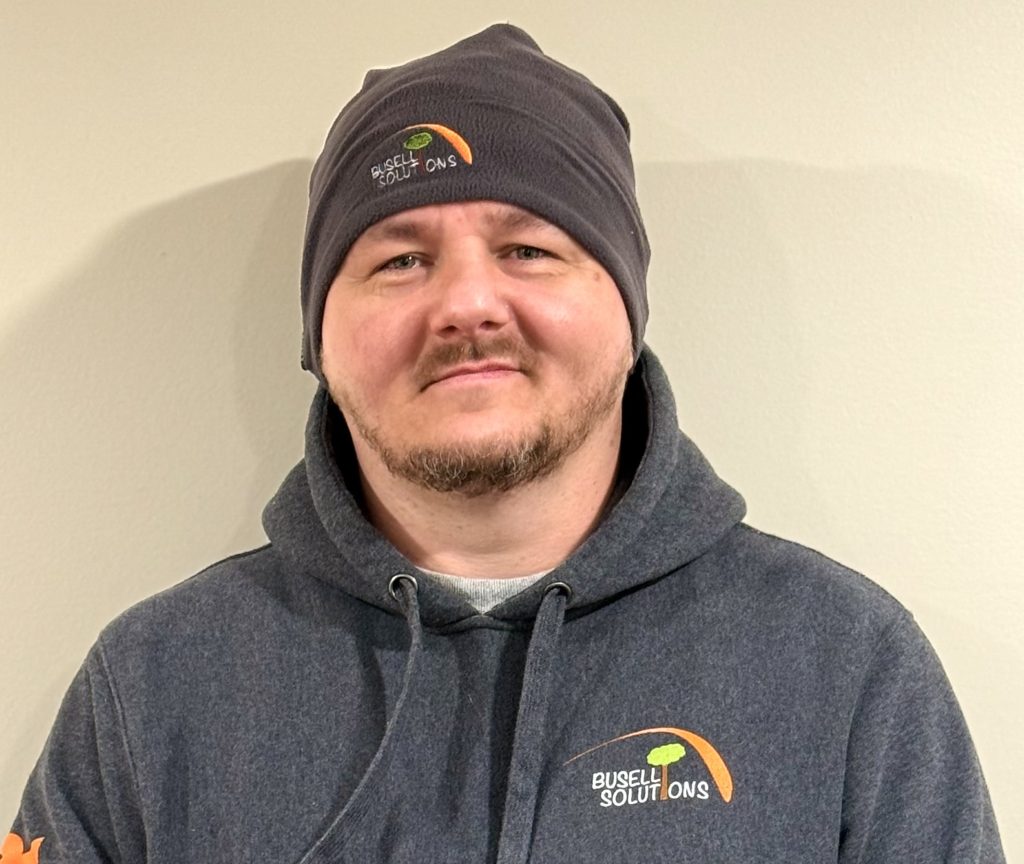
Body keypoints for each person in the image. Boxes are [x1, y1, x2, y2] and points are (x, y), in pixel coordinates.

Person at [7, 23, 1005, 864]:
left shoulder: (846, 666)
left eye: (529, 248)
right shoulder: (153, 687)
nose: (467, 304)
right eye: (400, 260)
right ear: (320, 339)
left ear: (625, 311)